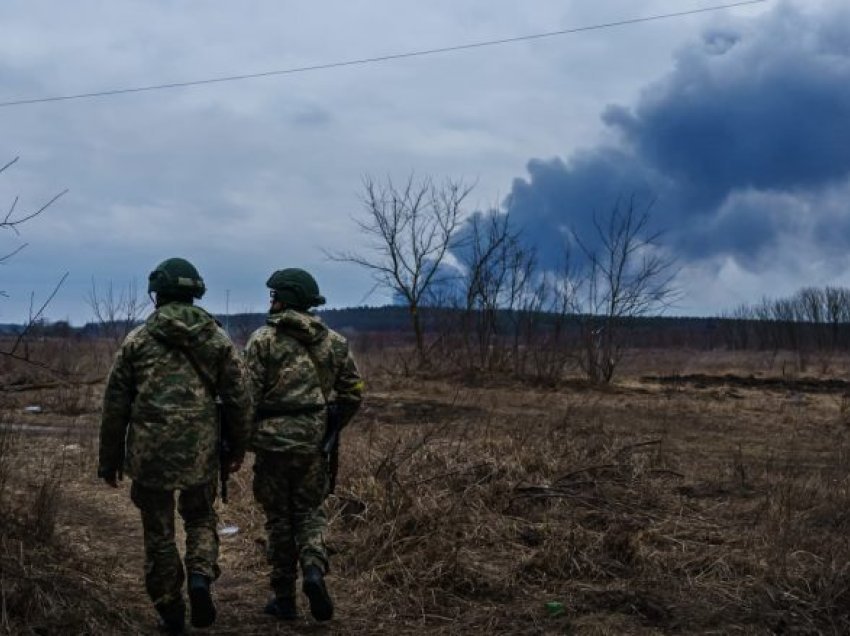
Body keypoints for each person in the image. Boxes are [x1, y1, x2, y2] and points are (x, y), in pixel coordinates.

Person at [98, 257, 251, 633]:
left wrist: (110, 459)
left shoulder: (137, 341)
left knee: (158, 529)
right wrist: (237, 448)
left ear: (158, 294)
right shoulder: (217, 339)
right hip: (200, 451)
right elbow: (239, 397)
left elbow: (115, 405)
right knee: (200, 516)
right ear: (195, 292)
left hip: (150, 454)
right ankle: (200, 574)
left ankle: (169, 607)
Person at [244, 268, 363, 622]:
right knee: (310, 513)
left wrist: (245, 438)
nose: (271, 300)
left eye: (274, 295)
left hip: (271, 444)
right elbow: (354, 391)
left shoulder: (262, 340)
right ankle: (313, 569)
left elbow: (245, 398)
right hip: (314, 442)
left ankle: (284, 598)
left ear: (285, 299)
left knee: (279, 519)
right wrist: (331, 425)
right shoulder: (335, 342)